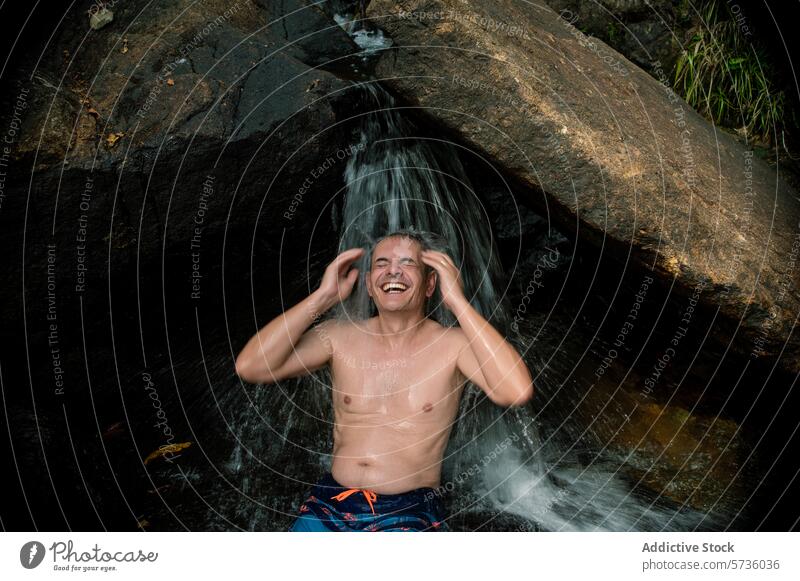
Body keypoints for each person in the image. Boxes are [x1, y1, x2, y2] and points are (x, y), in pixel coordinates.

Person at [234, 229, 534, 531]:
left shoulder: (453, 345)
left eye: (408, 263)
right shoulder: (338, 336)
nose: (393, 270)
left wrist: (457, 301)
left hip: (409, 510)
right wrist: (322, 297)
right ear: (368, 283)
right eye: (381, 263)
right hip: (330, 503)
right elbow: (252, 367)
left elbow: (515, 390)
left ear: (431, 284)